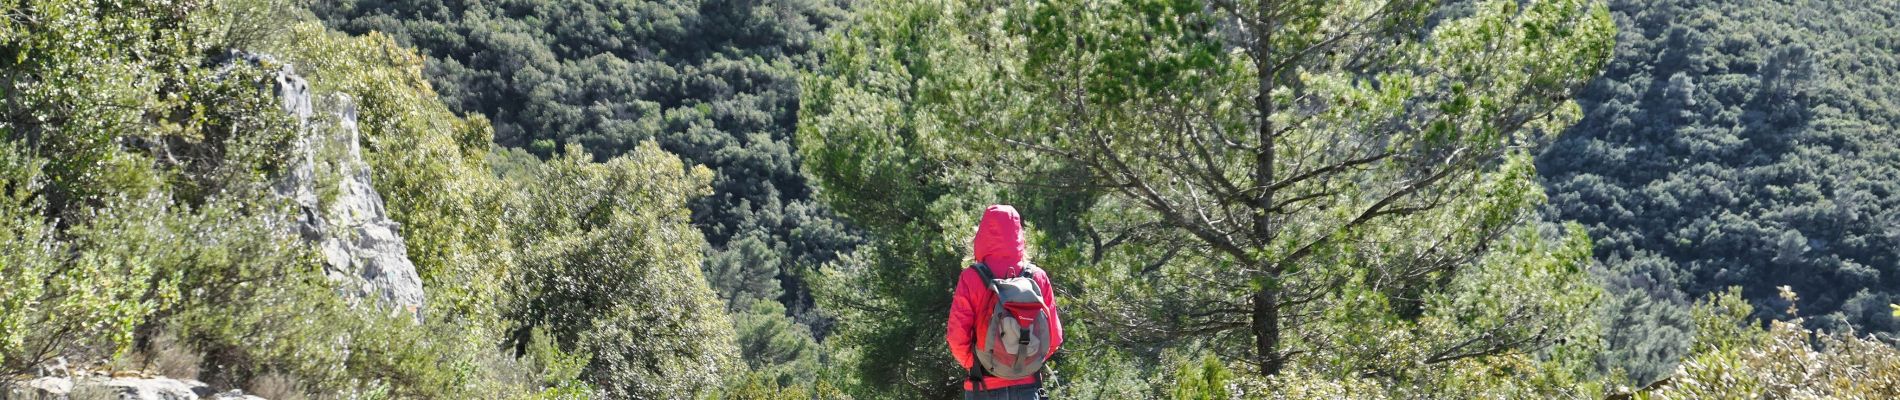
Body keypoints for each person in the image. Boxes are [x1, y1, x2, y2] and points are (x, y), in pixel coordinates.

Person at [947, 205, 1063, 399]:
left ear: (981, 236)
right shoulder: (1037, 277)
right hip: (1028, 387)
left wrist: (981, 363)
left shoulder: (971, 278)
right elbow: (1054, 338)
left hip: (983, 387)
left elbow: (957, 338)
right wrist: (1024, 364)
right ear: (1019, 235)